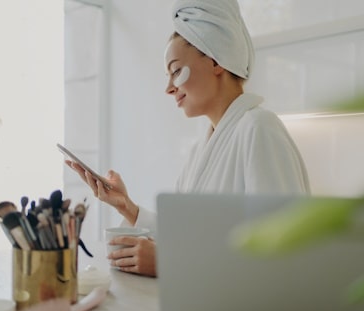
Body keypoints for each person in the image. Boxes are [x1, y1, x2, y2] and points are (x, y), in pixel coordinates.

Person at [66, 0, 310, 277]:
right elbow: (191, 235)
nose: (169, 88)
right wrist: (128, 207)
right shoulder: (200, 151)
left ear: (217, 60)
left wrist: (171, 262)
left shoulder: (259, 128)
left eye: (176, 70)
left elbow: (284, 252)